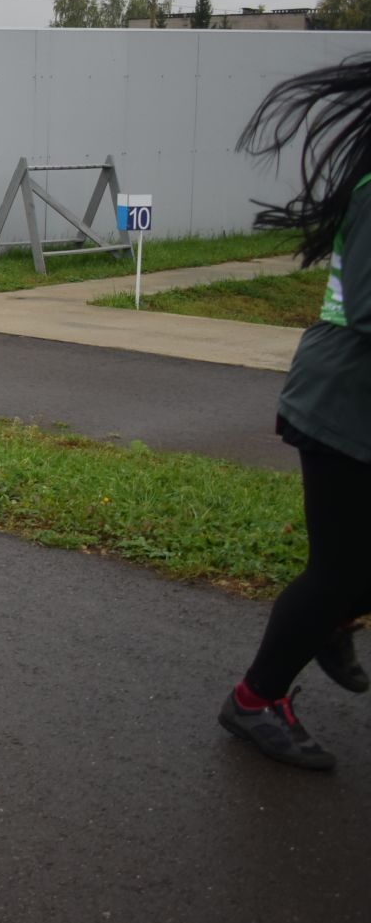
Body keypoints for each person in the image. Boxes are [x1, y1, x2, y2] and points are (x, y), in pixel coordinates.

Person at [218, 56, 371, 771]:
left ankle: (334, 617)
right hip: (343, 405)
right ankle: (256, 699)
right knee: (337, 569)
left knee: (345, 571)